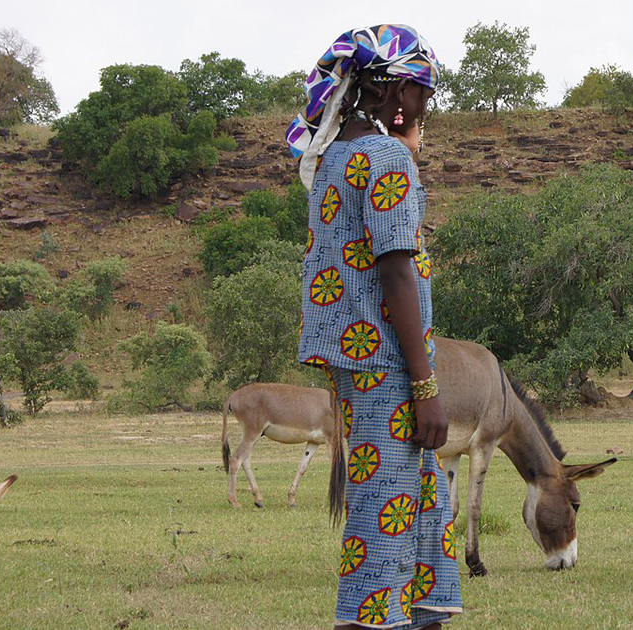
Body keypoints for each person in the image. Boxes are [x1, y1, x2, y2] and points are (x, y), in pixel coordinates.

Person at [288, 24, 461, 629]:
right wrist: (426, 385)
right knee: (382, 511)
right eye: (421, 92)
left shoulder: (333, 157)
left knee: (420, 499)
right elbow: (395, 273)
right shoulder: (385, 158)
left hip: (353, 358)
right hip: (387, 365)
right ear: (393, 94)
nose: (426, 105)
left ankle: (424, 617)